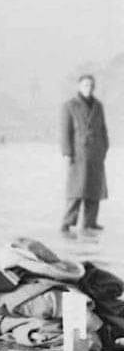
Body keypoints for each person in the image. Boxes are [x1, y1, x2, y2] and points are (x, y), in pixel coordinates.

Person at [60, 74, 109, 236]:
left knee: (94, 190)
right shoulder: (70, 105)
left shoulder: (98, 106)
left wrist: (104, 147)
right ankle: (67, 223)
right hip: (78, 154)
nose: (89, 88)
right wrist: (67, 153)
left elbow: (103, 129)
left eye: (91, 85)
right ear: (79, 86)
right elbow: (65, 132)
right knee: (76, 190)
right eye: (86, 85)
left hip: (96, 154)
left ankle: (90, 222)